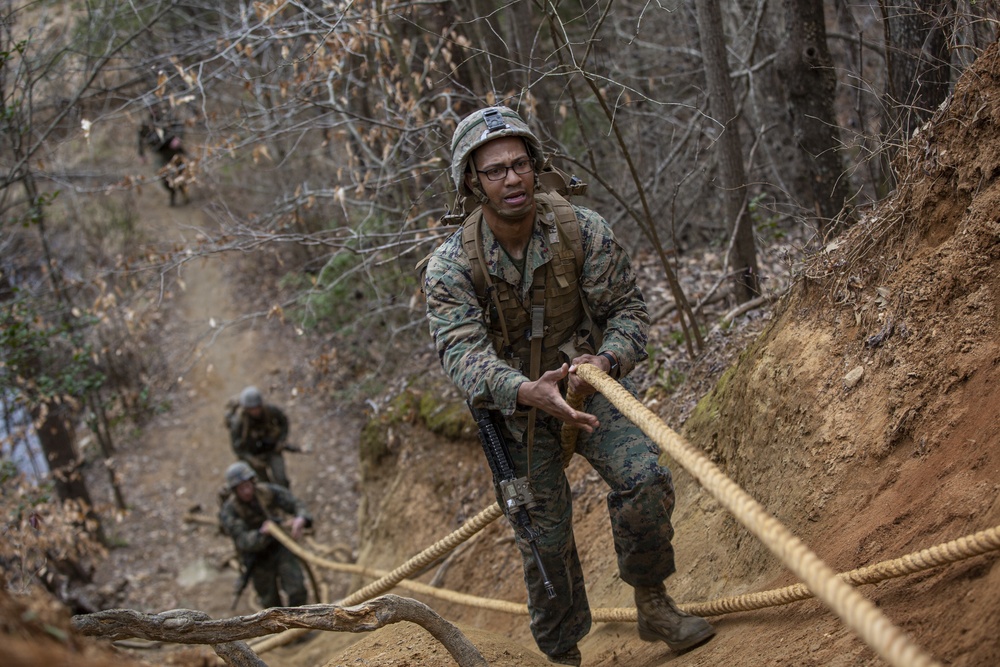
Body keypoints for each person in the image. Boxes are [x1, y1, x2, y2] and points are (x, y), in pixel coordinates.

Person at [421, 106, 715, 665]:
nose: (511, 179)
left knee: (646, 478)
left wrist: (606, 359)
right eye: (494, 171)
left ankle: (653, 603)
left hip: (586, 390)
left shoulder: (583, 230)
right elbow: (461, 354)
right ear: (470, 182)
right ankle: (563, 656)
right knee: (545, 545)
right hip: (518, 415)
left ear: (536, 166)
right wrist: (525, 389)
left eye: (519, 164)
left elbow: (628, 309)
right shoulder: (451, 267)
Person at [218, 461, 312, 608]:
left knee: (297, 589)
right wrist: (262, 533)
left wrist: (301, 518)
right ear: (235, 490)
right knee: (270, 602)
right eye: (241, 488)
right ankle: (283, 630)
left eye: (248, 485)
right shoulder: (230, 511)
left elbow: (295, 503)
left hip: (280, 546)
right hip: (257, 558)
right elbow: (243, 540)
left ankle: (300, 627)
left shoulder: (266, 492)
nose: (247, 491)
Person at [226, 385, 292, 489]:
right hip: (254, 456)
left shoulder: (270, 411)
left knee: (281, 479)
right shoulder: (239, 423)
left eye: (257, 407)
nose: (255, 411)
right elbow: (237, 448)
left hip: (272, 450)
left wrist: (281, 441)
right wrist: (251, 459)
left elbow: (284, 422)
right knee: (264, 485)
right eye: (252, 408)